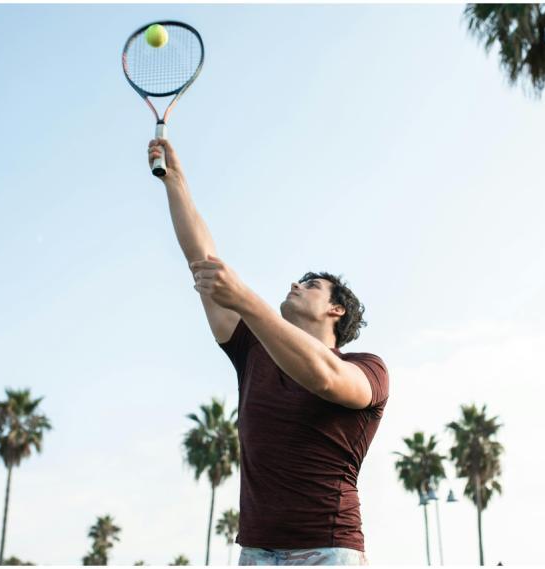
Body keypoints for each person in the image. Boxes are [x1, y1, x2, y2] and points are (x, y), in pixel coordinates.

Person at [148, 138, 389, 566]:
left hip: (328, 551)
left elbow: (325, 378)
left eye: (311, 285)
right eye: (297, 281)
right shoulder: (252, 349)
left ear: (336, 310)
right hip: (255, 552)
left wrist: (245, 298)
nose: (295, 285)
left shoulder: (368, 369)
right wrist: (176, 182)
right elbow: (202, 261)